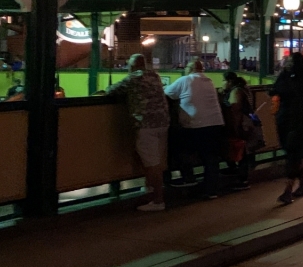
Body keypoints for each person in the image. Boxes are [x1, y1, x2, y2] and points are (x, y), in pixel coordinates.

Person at [106, 53, 170, 212]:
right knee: (156, 161)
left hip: (145, 124)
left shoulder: (133, 78)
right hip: (163, 123)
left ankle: (158, 200)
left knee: (151, 165)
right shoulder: (155, 76)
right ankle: (150, 191)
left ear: (132, 66)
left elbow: (111, 91)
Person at [165, 59, 226, 200]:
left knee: (179, 148)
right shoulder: (209, 81)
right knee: (211, 158)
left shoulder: (186, 80)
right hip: (216, 123)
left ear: (190, 68)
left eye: (186, 67)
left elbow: (168, 93)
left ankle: (188, 178)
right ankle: (211, 190)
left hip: (197, 125)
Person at [270, 52, 303, 204]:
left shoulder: (287, 76)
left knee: (292, 153)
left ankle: (288, 190)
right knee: (297, 153)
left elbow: (275, 90)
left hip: (289, 119)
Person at [222, 71, 254, 191]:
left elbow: (235, 111)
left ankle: (242, 179)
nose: (222, 83)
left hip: (240, 126)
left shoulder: (236, 92)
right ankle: (240, 175)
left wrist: (235, 129)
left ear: (229, 81)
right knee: (243, 151)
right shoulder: (242, 89)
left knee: (241, 150)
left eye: (223, 81)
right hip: (245, 125)